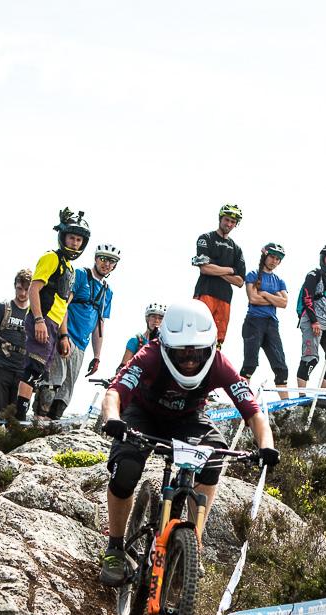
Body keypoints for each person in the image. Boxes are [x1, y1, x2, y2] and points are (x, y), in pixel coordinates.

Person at [97, 298, 277, 583]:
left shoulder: (219, 363)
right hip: (142, 414)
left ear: (211, 348)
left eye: (198, 353)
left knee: (214, 458)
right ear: (167, 347)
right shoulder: (150, 355)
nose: (191, 360)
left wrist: (266, 446)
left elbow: (253, 411)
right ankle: (115, 549)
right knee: (127, 470)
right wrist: (113, 420)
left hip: (188, 419)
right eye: (182, 354)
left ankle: (192, 545)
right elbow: (115, 392)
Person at [21, 207, 88, 423]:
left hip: (55, 324)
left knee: (41, 372)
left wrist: (63, 335)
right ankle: (18, 417)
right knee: (32, 369)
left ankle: (30, 417)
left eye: (79, 240)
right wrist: (39, 320)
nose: (75, 243)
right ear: (63, 237)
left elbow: (63, 305)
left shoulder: (69, 268)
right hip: (42, 319)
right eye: (71, 238)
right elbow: (34, 288)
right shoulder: (51, 258)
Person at [62, 243, 117, 392]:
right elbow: (64, 306)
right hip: (66, 337)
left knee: (65, 393)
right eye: (103, 258)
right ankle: (39, 415)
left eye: (111, 261)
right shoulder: (80, 274)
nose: (106, 264)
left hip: (81, 345)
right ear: (96, 258)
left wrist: (97, 356)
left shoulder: (108, 292)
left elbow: (99, 326)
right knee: (52, 384)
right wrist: (63, 335)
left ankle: (54, 415)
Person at [296, 243, 326, 399]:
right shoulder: (313, 275)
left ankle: (322, 396)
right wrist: (314, 321)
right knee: (310, 358)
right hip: (313, 320)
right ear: (323, 259)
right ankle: (301, 396)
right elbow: (306, 297)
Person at [192, 203, 246, 345]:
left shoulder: (237, 249)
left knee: (218, 339)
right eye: (227, 219)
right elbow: (204, 269)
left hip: (225, 297)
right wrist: (230, 270)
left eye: (233, 222)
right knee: (198, 332)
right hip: (205, 292)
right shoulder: (206, 238)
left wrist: (215, 268)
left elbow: (240, 281)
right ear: (220, 218)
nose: (229, 224)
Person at [241, 242, 290, 397]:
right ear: (265, 256)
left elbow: (284, 303)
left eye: (277, 259)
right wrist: (274, 297)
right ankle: (242, 399)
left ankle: (286, 406)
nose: (274, 261)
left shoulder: (280, 280)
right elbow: (253, 298)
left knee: (280, 365)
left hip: (272, 323)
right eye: (272, 257)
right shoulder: (253, 274)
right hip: (254, 321)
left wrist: (265, 294)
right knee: (250, 364)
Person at [0, 270, 32, 420]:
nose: (23, 293)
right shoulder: (3, 308)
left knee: (18, 419)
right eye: (19, 288)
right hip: (0, 369)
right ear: (14, 287)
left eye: (26, 289)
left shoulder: (34, 315)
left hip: (22, 372)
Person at [121, 303, 165, 369]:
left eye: (160, 318)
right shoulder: (136, 341)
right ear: (147, 319)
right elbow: (123, 366)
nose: (156, 321)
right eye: (153, 316)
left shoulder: (166, 344)